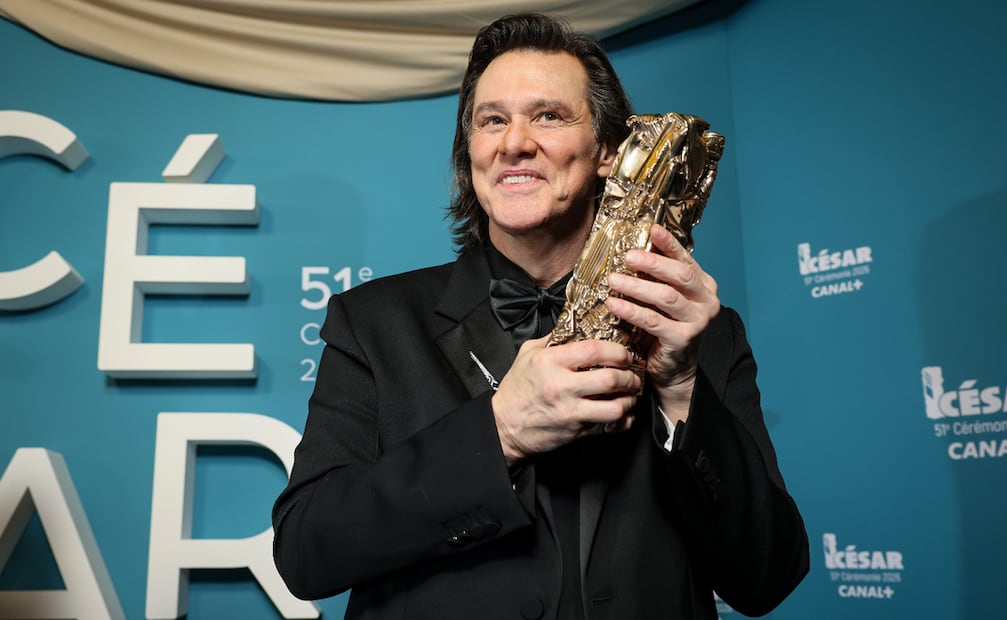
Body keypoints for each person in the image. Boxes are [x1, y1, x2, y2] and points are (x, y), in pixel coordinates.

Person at [273, 13, 809, 620]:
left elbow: (770, 576)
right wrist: (499, 432)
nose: (514, 142)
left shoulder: (699, 332)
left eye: (548, 115)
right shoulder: (374, 324)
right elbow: (306, 551)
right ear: (470, 151)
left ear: (610, 151)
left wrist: (682, 388)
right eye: (492, 120)